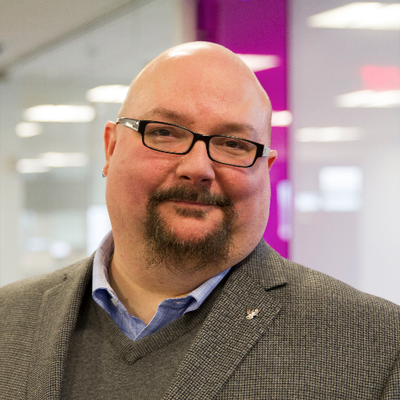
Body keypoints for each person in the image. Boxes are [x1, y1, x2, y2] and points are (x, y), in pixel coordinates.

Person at [0, 42, 399, 400]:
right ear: (111, 147)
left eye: (233, 144)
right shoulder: (8, 319)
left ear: (265, 170)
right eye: (165, 133)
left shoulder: (377, 347)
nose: (197, 168)